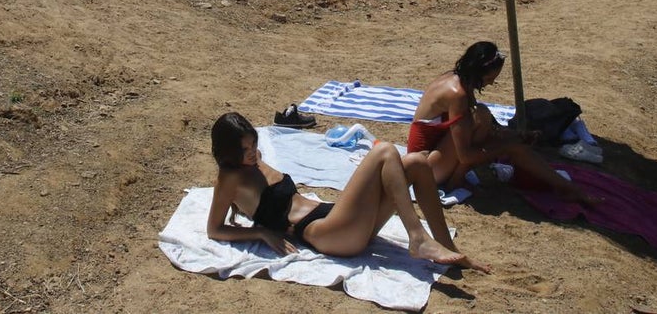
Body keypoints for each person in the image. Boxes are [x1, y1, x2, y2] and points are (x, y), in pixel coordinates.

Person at [207, 112, 488, 270]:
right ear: (229, 152)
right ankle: (418, 238)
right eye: (243, 149)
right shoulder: (229, 178)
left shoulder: (254, 161)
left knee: (416, 163)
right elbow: (215, 230)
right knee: (386, 151)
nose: (252, 152)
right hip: (322, 233)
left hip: (333, 219)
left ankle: (448, 249)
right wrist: (260, 231)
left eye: (253, 144)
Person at [408, 41, 599, 204]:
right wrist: (505, 147)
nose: (490, 83)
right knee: (488, 126)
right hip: (425, 168)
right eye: (490, 78)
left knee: (485, 119)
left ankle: (565, 187)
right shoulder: (457, 94)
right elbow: (465, 155)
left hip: (431, 157)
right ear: (479, 72)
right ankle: (455, 182)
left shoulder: (457, 79)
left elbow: (484, 126)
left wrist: (515, 137)